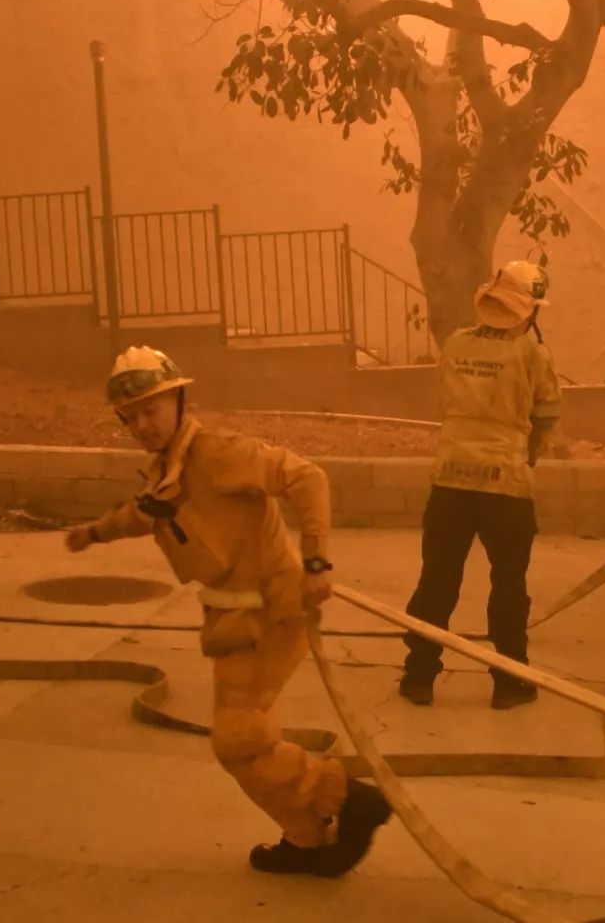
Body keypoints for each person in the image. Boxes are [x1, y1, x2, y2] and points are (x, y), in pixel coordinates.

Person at [64, 345, 391, 878]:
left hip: (275, 613)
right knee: (246, 743)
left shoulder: (220, 453)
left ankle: (346, 797)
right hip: (234, 622)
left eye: (151, 409)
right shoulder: (169, 471)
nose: (142, 424)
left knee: (238, 739)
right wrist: (93, 534)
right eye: (131, 417)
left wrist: (315, 561)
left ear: (178, 399)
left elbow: (307, 478)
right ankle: (306, 840)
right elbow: (144, 516)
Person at [399, 261, 563, 710]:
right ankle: (509, 683)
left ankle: (418, 678)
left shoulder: (454, 343)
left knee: (437, 580)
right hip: (504, 486)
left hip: (449, 479)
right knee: (508, 584)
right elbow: (546, 417)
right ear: (530, 309)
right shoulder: (533, 354)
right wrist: (525, 455)